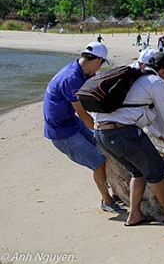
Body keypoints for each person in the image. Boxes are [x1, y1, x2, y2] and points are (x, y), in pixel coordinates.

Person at [94, 52, 164, 226]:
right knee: (157, 169)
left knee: (139, 171)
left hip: (101, 135)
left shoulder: (136, 80)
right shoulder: (156, 83)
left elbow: (159, 121)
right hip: (122, 133)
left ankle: (135, 215)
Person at [43, 42, 126, 214]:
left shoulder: (82, 71)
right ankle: (107, 200)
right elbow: (83, 112)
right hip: (62, 133)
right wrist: (102, 130)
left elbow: (96, 97)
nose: (99, 68)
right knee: (99, 162)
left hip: (72, 123)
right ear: (98, 60)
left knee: (106, 152)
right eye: (101, 63)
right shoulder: (71, 78)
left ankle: (116, 192)